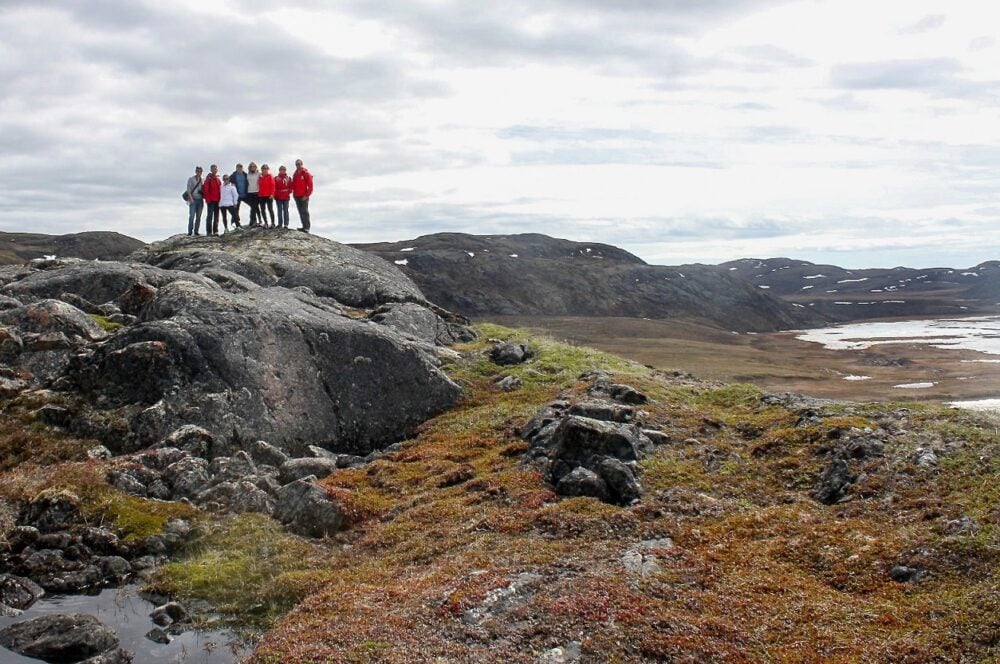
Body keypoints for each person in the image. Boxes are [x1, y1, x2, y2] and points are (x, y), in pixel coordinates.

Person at [292, 159, 313, 232]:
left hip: (304, 196)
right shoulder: (295, 174)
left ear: (302, 164)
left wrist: (306, 195)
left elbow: (310, 186)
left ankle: (307, 227)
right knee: (300, 211)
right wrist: (293, 194)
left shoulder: (306, 173)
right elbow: (293, 185)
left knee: (304, 211)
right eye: (297, 164)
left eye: (299, 164)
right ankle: (304, 227)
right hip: (296, 196)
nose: (298, 165)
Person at [202, 164, 222, 235]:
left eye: (215, 169)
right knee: (210, 216)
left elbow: (220, 190)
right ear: (211, 170)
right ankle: (209, 231)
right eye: (213, 169)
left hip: (217, 200)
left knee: (216, 216)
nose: (214, 170)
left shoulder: (218, 179)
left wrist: (220, 200)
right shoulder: (208, 179)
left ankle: (215, 231)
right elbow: (206, 190)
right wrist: (208, 200)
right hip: (210, 200)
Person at [185, 166, 204, 236]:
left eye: (200, 171)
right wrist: (191, 198)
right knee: (192, 216)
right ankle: (190, 231)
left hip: (200, 199)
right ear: (196, 171)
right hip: (193, 199)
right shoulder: (191, 179)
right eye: (198, 171)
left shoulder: (203, 180)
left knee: (198, 217)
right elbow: (188, 190)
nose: (199, 173)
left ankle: (196, 231)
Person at [246, 162, 261, 226]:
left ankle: (252, 221)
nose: (252, 167)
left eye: (254, 166)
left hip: (257, 192)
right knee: (254, 207)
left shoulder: (259, 174)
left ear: (256, 167)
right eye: (251, 166)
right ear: (249, 167)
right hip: (249, 192)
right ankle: (256, 220)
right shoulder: (247, 174)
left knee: (254, 207)